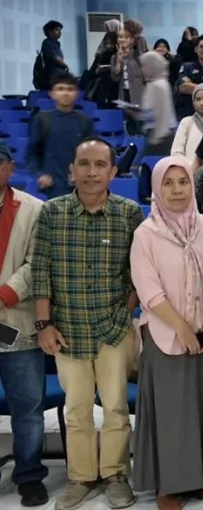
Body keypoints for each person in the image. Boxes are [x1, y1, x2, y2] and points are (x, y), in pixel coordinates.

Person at [32, 137, 144, 510]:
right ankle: (81, 478)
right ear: (71, 170)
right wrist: (44, 324)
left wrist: (125, 314)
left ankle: (116, 475)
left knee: (115, 408)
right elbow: (40, 271)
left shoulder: (129, 213)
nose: (91, 172)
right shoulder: (52, 212)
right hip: (67, 330)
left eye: (100, 165)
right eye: (84, 164)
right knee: (76, 409)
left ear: (113, 172)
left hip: (114, 328)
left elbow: (138, 274)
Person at [130, 157, 203, 510]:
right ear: (157, 189)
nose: (177, 190)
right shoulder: (146, 234)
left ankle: (200, 478)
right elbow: (149, 290)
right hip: (165, 334)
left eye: (183, 182)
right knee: (171, 411)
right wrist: (181, 328)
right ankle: (168, 485)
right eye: (169, 183)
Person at [0, 141, 48, 507]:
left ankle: (30, 476)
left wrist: (5, 293)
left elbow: (38, 262)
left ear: (10, 167)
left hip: (16, 321)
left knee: (28, 408)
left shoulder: (35, 209)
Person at [25, 71, 96, 199]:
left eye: (70, 89)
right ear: (52, 93)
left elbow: (92, 154)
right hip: (51, 188)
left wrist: (84, 174)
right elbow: (31, 153)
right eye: (60, 89)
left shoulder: (85, 122)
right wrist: (40, 175)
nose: (65, 93)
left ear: (77, 93)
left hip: (80, 187)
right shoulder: (42, 120)